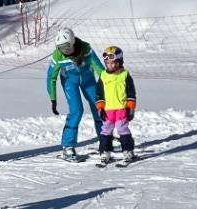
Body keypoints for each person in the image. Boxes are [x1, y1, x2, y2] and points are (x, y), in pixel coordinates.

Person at [46, 28, 103, 160]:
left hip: (88, 80)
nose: (64, 50)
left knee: (99, 106)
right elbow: (51, 77)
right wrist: (53, 98)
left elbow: (99, 68)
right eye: (60, 47)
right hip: (69, 82)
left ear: (72, 42)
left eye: (66, 46)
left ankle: (105, 139)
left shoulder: (86, 49)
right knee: (77, 110)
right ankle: (68, 146)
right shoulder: (58, 56)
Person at [95, 44, 137, 166]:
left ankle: (128, 151)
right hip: (108, 110)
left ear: (119, 62)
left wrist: (130, 108)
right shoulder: (103, 76)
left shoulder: (125, 75)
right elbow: (99, 94)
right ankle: (105, 152)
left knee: (122, 129)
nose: (110, 66)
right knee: (106, 130)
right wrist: (100, 108)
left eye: (113, 63)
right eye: (107, 63)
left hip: (121, 109)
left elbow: (131, 93)